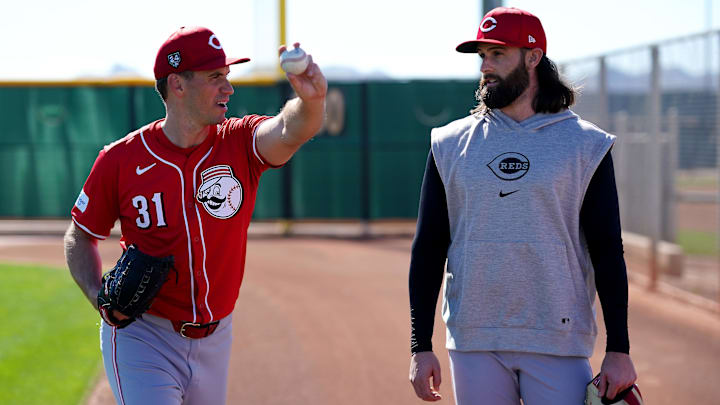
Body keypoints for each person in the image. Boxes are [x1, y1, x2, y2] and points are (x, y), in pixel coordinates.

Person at [64, 26, 326, 404]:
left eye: (227, 76)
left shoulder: (240, 142)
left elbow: (289, 128)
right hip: (144, 335)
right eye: (214, 77)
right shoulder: (120, 159)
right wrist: (97, 297)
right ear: (178, 84)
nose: (228, 88)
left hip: (217, 337)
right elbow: (80, 234)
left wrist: (311, 102)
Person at [407, 7, 637, 405]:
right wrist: (419, 344)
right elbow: (428, 246)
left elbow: (607, 251)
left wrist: (620, 348)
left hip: (557, 339)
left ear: (533, 57)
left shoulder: (586, 145)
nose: (486, 66)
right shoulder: (448, 144)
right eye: (483, 55)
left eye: (498, 54)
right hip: (474, 338)